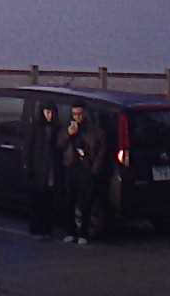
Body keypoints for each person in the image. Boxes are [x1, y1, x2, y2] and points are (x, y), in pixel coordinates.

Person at [58, 102, 107, 245]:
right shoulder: (67, 127)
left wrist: (94, 169)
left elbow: (100, 149)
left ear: (84, 114)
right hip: (71, 167)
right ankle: (70, 231)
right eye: (74, 114)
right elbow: (59, 144)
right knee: (69, 201)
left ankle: (83, 233)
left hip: (86, 168)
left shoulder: (93, 130)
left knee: (86, 202)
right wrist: (69, 134)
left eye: (79, 114)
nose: (77, 117)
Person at [22, 101, 61, 238]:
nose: (49, 115)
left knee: (48, 201)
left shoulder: (57, 128)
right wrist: (28, 166)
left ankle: (46, 229)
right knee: (37, 200)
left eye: (51, 112)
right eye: (47, 112)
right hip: (38, 168)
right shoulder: (36, 128)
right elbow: (28, 148)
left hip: (51, 168)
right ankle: (36, 228)